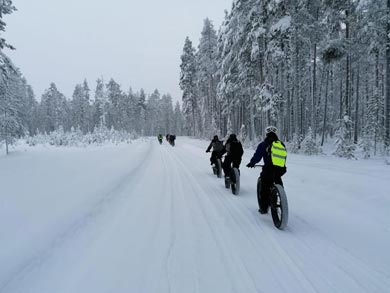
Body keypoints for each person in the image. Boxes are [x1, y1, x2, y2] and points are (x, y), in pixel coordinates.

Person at [246, 126, 287, 214]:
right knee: (278, 181)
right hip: (281, 169)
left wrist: (252, 163)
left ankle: (263, 208)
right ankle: (280, 195)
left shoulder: (264, 144)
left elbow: (257, 156)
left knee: (264, 187)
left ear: (266, 134)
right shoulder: (281, 144)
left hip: (269, 169)